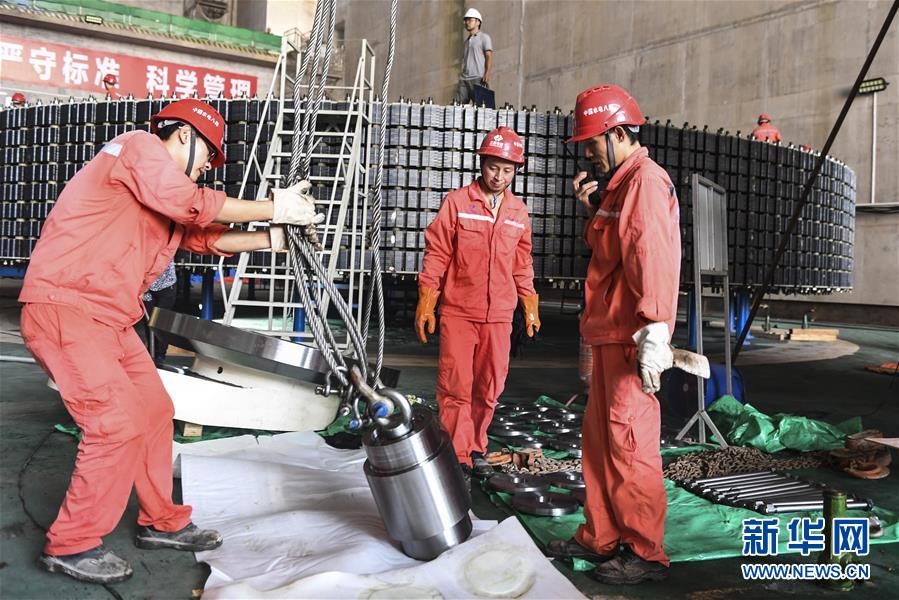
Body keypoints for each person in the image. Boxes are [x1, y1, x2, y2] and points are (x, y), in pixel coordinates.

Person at [19, 98, 322, 584]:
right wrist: (275, 206)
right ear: (184, 135)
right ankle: (72, 544)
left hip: (112, 319)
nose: (205, 169)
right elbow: (193, 204)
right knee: (114, 423)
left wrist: (273, 237)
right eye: (207, 158)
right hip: (67, 308)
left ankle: (161, 521)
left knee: (155, 410)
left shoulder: (163, 194)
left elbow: (203, 237)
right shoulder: (138, 149)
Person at [545, 84, 680, 584]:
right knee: (601, 443)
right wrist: (592, 209)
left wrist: (656, 329)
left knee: (629, 443)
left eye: (591, 142)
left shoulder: (645, 182)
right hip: (608, 334)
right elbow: (612, 252)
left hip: (630, 338)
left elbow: (652, 256)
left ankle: (644, 551)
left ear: (618, 133)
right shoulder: (619, 188)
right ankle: (600, 536)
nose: (587, 153)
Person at [416, 126, 540, 482]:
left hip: (499, 315)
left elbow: (522, 262)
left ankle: (475, 448)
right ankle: (457, 454)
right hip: (459, 311)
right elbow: (437, 253)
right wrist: (427, 300)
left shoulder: (518, 212)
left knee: (489, 387)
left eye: (507, 170)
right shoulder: (457, 203)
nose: (499, 176)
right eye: (493, 167)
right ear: (481, 164)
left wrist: (529, 303)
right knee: (456, 386)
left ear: (516, 171)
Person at [453, 8, 493, 105]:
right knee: (457, 107)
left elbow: (489, 56)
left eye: (469, 20)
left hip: (478, 79)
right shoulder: (466, 42)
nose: (466, 22)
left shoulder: (484, 37)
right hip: (464, 79)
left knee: (482, 108)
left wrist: (487, 73)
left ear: (478, 22)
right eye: (465, 20)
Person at [142, 260, 177, 364]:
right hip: (147, 288)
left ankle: (160, 355)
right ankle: (151, 352)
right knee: (149, 322)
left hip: (166, 285)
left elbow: (160, 263)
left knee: (162, 321)